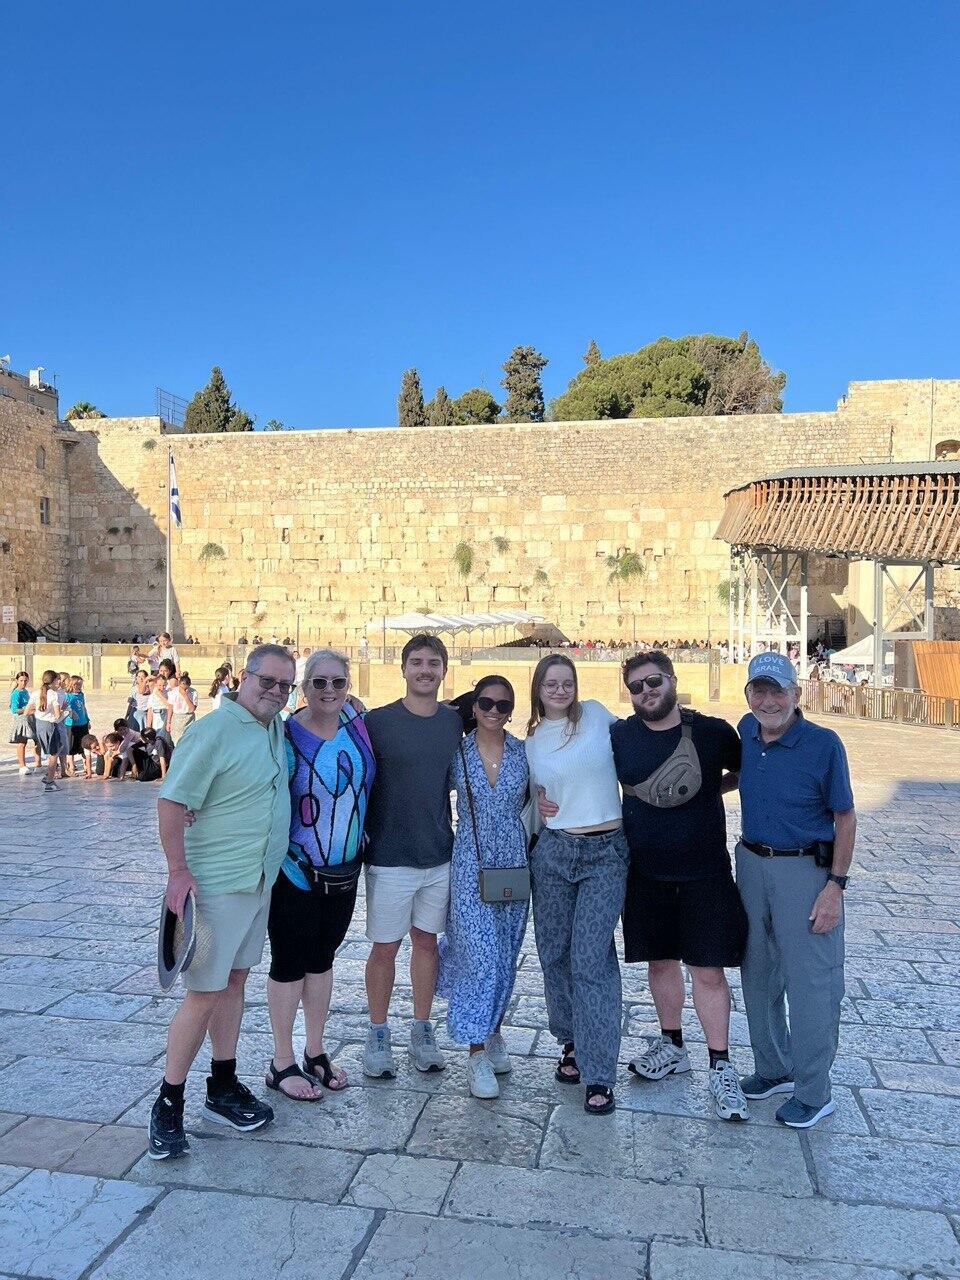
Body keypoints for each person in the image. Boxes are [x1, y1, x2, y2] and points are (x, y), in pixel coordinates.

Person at [148, 643, 295, 1160]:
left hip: (257, 883)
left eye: (284, 685)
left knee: (234, 981)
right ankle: (169, 1101)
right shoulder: (212, 730)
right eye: (267, 681)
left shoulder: (272, 727)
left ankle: (223, 1085)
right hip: (213, 886)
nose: (275, 692)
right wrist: (177, 873)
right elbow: (171, 800)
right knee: (204, 993)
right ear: (243, 678)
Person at [610, 651, 749, 1121]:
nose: (645, 692)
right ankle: (672, 1045)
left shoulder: (711, 733)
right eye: (635, 687)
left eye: (652, 682)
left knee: (708, 972)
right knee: (660, 964)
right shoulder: (620, 736)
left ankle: (721, 1063)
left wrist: (707, 787)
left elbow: (748, 768)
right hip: (645, 874)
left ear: (671, 680)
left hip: (705, 873)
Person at [736, 651, 856, 1129]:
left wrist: (835, 888)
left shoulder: (823, 745)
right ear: (748, 695)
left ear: (796, 695)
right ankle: (774, 1068)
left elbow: (845, 817)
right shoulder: (745, 733)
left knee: (812, 984)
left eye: (777, 691)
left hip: (805, 871)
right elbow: (740, 777)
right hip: (751, 864)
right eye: (759, 691)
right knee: (759, 972)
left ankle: (814, 1090)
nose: (768, 701)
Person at [265, 649, 375, 1101]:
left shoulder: (359, 728)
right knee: (289, 962)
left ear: (349, 686)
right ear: (303, 687)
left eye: (338, 682)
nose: (328, 690)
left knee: (323, 960)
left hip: (344, 873)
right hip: (295, 872)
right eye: (318, 682)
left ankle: (315, 1049)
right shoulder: (284, 736)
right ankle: (281, 1059)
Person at [527, 654, 629, 1115]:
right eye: (552, 683)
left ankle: (599, 1071)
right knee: (554, 951)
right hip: (554, 852)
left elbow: (642, 738)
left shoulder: (596, 715)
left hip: (605, 852)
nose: (561, 690)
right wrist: (538, 799)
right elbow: (523, 790)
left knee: (591, 957)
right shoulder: (529, 740)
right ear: (538, 688)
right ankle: (570, 1040)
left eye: (567, 682)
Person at [362, 634, 463, 1078]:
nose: (425, 670)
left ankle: (422, 1029)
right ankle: (378, 1032)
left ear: (444, 670)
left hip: (440, 854)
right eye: (417, 662)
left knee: (426, 943)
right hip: (389, 856)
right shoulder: (376, 722)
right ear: (403, 669)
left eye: (433, 663)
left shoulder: (456, 722)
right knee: (385, 947)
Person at [437, 676, 529, 1099]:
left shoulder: (523, 754)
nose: (494, 711)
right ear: (473, 706)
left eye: (503, 705)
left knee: (506, 955)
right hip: (470, 863)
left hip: (512, 863)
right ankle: (475, 1052)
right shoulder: (455, 753)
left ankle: (493, 1030)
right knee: (480, 955)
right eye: (486, 703)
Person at [27, 670, 68, 793]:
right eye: (57, 680)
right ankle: (50, 782)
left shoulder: (35, 693)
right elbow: (57, 716)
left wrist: (40, 712)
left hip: (40, 725)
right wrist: (65, 710)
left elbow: (27, 711)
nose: (59, 682)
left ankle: (48, 777)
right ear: (53, 681)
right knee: (54, 754)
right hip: (50, 726)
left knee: (58, 747)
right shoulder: (53, 695)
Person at [9, 671, 38, 775]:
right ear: (17, 681)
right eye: (21, 680)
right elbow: (14, 710)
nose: (23, 682)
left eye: (25, 680)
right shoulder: (16, 693)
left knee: (37, 741)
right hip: (21, 720)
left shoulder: (25, 692)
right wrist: (28, 709)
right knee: (22, 742)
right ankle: (22, 766)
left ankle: (38, 764)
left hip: (30, 718)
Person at [62, 675, 91, 776]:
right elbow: (66, 708)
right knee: (71, 747)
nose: (79, 687)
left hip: (82, 723)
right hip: (71, 725)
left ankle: (86, 767)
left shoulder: (81, 695)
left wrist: (88, 720)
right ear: (71, 685)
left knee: (85, 745)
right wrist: (71, 714)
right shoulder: (67, 696)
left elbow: (84, 708)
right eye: (76, 685)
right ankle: (71, 767)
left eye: (80, 685)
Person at [169, 672, 199, 745]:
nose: (185, 690)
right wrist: (168, 721)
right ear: (179, 684)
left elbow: (192, 709)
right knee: (177, 741)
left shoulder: (193, 692)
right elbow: (170, 707)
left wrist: (185, 695)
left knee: (188, 740)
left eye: (186, 688)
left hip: (189, 717)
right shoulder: (174, 692)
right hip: (177, 718)